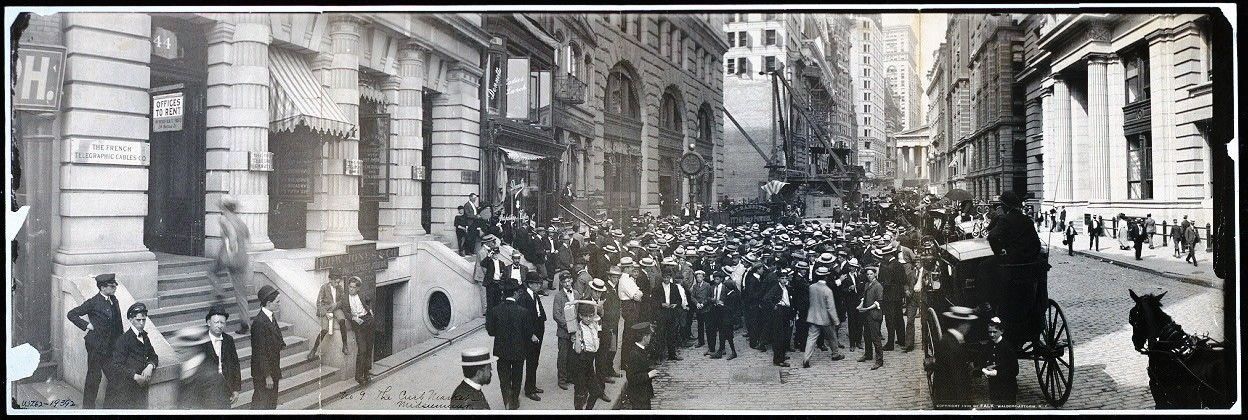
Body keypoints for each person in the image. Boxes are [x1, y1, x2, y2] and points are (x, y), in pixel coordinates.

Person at [986, 191, 1047, 344]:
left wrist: (1000, 253)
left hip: (1011, 265)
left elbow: (991, 236)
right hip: (1029, 266)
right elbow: (1036, 244)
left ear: (1005, 206)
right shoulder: (1027, 220)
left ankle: (986, 303)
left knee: (983, 267)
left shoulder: (1005, 220)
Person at [66, 273, 123, 409]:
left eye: (115, 284)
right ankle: (88, 409)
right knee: (94, 378)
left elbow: (118, 324)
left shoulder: (114, 300)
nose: (115, 287)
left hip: (110, 347)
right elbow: (72, 314)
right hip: (95, 346)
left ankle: (108, 409)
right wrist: (87, 325)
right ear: (102, 287)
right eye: (111, 285)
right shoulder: (93, 302)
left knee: (115, 378)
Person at [180, 304, 242, 409]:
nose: (219, 325)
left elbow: (235, 364)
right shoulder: (201, 341)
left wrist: (236, 389)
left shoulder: (229, 340)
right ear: (209, 323)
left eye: (222, 322)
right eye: (216, 322)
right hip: (205, 391)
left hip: (225, 388)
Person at [208, 195, 253, 334]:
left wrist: (231, 253)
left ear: (224, 207)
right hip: (242, 259)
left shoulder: (224, 219)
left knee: (211, 272)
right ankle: (245, 322)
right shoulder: (241, 221)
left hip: (229, 257)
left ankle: (220, 292)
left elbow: (232, 236)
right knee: (241, 293)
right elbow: (247, 238)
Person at [104, 303, 159, 409]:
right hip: (122, 390)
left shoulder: (145, 337)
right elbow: (116, 365)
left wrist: (149, 366)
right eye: (138, 320)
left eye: (144, 320)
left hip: (139, 388)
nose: (142, 323)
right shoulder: (123, 340)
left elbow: (153, 356)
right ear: (131, 319)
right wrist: (135, 376)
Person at [487, 280, 529, 410]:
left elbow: (491, 331)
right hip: (518, 351)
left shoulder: (495, 310)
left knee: (504, 380)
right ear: (515, 293)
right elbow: (527, 333)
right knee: (517, 378)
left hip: (501, 351)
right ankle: (514, 402)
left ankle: (507, 402)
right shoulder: (523, 311)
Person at [932, 306, 977, 409]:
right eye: (968, 324)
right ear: (962, 325)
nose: (969, 327)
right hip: (952, 400)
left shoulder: (948, 339)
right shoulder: (952, 346)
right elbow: (957, 378)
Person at [250, 285, 285, 409]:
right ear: (269, 303)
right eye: (277, 302)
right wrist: (267, 376)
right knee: (261, 404)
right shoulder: (259, 323)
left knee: (271, 403)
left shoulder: (270, 316)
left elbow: (277, 336)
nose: (279, 304)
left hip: (273, 368)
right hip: (263, 373)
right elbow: (259, 352)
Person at [802, 267, 844, 368]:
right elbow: (831, 308)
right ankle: (835, 354)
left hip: (813, 317)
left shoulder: (811, 287)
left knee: (811, 338)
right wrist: (836, 320)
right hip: (825, 319)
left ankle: (806, 359)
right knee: (832, 337)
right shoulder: (827, 290)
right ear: (826, 277)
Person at [516, 274, 548, 401]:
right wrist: (531, 334)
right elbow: (523, 320)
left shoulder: (534, 295)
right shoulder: (524, 297)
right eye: (536, 283)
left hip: (538, 330)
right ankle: (529, 390)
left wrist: (542, 321)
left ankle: (532, 385)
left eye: (539, 283)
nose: (539, 285)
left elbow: (539, 311)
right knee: (531, 361)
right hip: (531, 335)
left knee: (535, 361)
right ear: (529, 284)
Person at [570, 299, 604, 410]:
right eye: (585, 316)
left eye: (590, 316)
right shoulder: (578, 329)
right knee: (580, 394)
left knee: (596, 392)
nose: (588, 319)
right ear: (580, 316)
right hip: (580, 364)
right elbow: (578, 351)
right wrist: (577, 336)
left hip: (589, 364)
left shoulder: (594, 325)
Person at [309, 274, 349, 359]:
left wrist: (336, 304)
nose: (337, 284)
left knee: (342, 321)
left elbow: (343, 300)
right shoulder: (324, 288)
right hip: (327, 310)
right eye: (336, 282)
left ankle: (345, 345)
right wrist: (325, 312)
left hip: (336, 308)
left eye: (339, 282)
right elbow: (319, 303)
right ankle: (314, 349)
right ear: (330, 280)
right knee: (324, 330)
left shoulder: (340, 288)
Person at [619, 322, 658, 410]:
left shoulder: (641, 350)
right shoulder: (635, 354)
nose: (650, 338)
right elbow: (632, 377)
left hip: (643, 393)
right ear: (644, 338)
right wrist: (648, 375)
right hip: (638, 395)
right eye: (649, 336)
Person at [345, 277, 375, 387]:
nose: (351, 289)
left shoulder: (362, 295)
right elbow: (345, 312)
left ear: (358, 289)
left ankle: (366, 373)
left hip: (368, 320)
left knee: (369, 348)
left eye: (353, 287)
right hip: (358, 324)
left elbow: (369, 300)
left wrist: (370, 310)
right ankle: (359, 376)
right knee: (362, 350)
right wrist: (353, 318)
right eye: (350, 287)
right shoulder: (345, 298)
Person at [983, 316, 1019, 408]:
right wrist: (985, 370)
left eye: (994, 332)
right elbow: (985, 360)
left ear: (1001, 331)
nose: (991, 335)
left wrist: (996, 372)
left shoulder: (1008, 347)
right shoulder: (989, 345)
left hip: (1007, 389)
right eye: (989, 332)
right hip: (994, 388)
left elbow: (1015, 370)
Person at [876, 243, 906, 351]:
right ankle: (902, 339)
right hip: (898, 296)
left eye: (884, 256)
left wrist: (882, 285)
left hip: (889, 297)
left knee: (890, 320)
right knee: (899, 318)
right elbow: (904, 280)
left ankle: (890, 343)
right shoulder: (899, 264)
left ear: (888, 255)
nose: (883, 258)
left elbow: (886, 283)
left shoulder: (887, 267)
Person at [655, 268, 689, 362]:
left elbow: (679, 299)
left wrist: (675, 304)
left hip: (671, 313)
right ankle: (659, 356)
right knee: (660, 335)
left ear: (670, 277)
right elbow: (653, 301)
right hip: (662, 313)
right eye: (664, 277)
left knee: (672, 335)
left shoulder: (674, 287)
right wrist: (661, 304)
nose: (666, 279)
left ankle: (672, 354)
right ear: (662, 278)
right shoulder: (657, 288)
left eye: (668, 277)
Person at [763, 268, 795, 367]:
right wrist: (774, 306)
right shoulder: (776, 288)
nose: (784, 280)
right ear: (778, 279)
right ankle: (778, 359)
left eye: (786, 278)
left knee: (785, 335)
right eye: (782, 278)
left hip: (786, 312)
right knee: (778, 336)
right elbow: (766, 298)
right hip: (779, 312)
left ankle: (782, 355)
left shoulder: (786, 288)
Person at [552, 273, 578, 390]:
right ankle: (562, 379)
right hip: (564, 331)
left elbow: (578, 311)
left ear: (572, 280)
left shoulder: (576, 294)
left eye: (568, 281)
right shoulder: (558, 296)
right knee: (563, 356)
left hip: (575, 330)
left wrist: (576, 327)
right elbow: (556, 315)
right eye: (564, 282)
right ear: (561, 283)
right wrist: (568, 326)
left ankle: (570, 376)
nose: (567, 284)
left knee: (573, 355)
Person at [856, 266, 884, 370]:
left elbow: (879, 302)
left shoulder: (878, 286)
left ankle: (879, 360)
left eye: (871, 274)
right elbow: (865, 297)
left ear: (875, 274)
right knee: (866, 335)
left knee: (875, 337)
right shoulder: (867, 284)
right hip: (867, 315)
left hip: (874, 315)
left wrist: (867, 308)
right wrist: (861, 304)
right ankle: (868, 354)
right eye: (867, 274)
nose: (869, 276)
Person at [708, 271, 739, 360]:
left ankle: (733, 352)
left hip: (727, 315)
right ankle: (721, 350)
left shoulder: (729, 291)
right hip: (720, 313)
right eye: (714, 279)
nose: (715, 281)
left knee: (728, 334)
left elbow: (733, 304)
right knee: (721, 332)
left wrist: (723, 304)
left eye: (717, 279)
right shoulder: (714, 288)